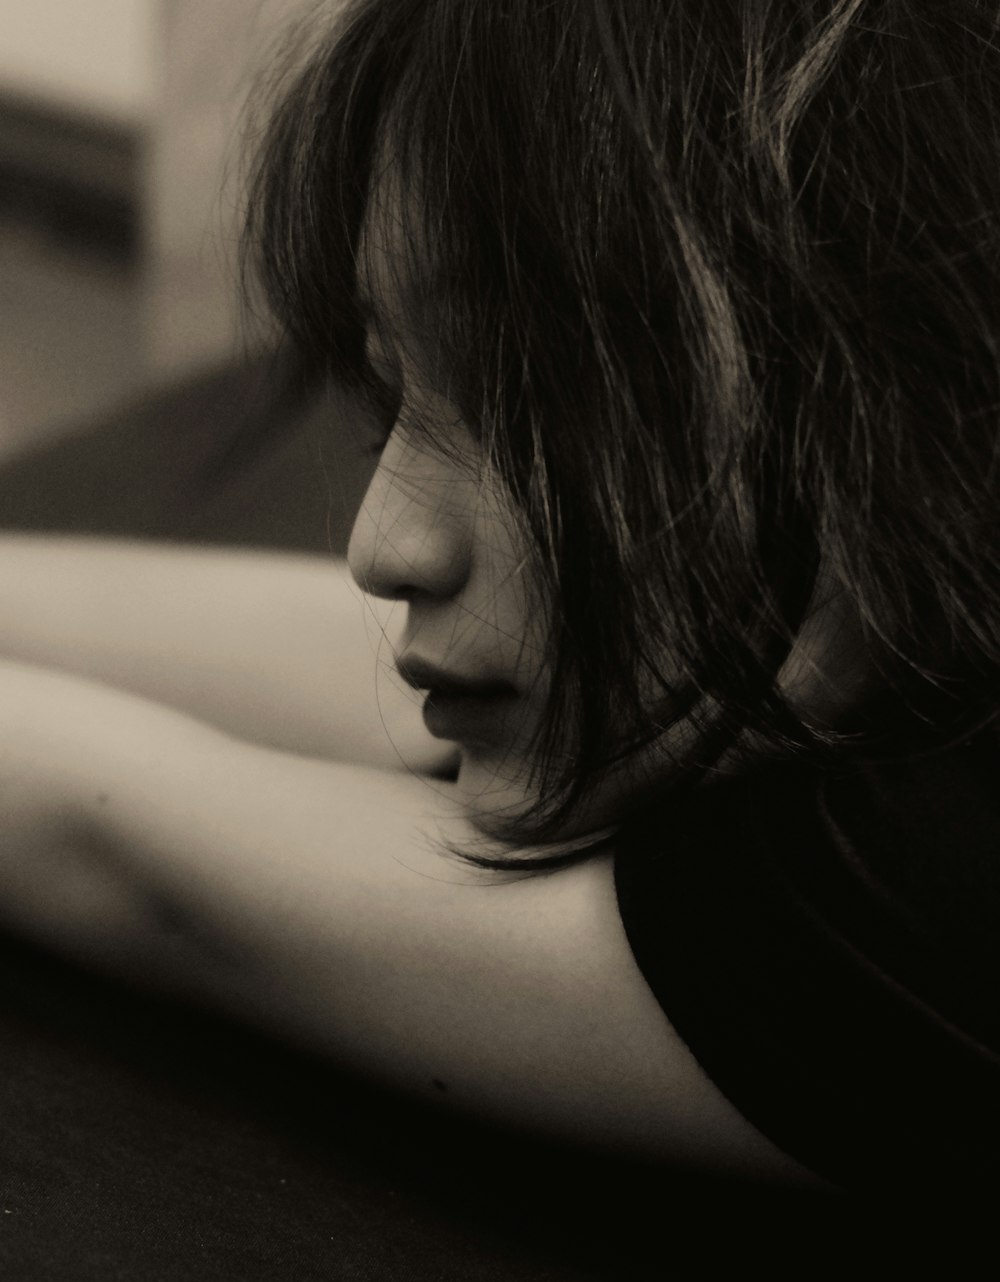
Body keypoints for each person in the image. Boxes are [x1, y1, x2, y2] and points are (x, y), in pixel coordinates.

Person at [2, 0, 999, 1195]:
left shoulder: (944, 895)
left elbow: (143, 859)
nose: (383, 546)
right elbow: (386, 663)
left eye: (535, 403)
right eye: (392, 394)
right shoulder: (869, 614)